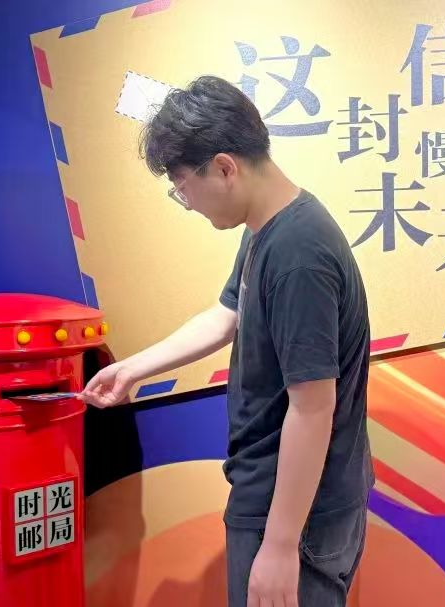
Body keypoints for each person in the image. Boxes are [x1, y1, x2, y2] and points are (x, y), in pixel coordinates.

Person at [79, 75, 373, 607]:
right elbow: (226, 316)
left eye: (182, 186)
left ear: (224, 167)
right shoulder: (266, 227)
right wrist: (132, 369)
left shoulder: (299, 256)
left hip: (296, 511)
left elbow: (313, 408)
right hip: (284, 497)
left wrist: (280, 546)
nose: (187, 202)